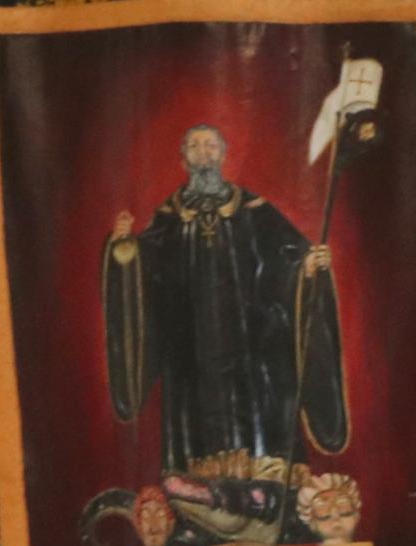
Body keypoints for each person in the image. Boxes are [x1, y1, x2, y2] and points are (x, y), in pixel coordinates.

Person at [102, 124, 350, 521]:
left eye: (210, 146)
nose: (203, 154)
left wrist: (306, 267)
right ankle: (200, 502)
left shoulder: (254, 209)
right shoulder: (168, 217)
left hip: (255, 350)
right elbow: (143, 275)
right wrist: (124, 250)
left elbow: (287, 259)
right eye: (195, 147)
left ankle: (264, 501)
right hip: (192, 356)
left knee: (264, 433)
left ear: (223, 155)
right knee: (195, 452)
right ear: (183, 160)